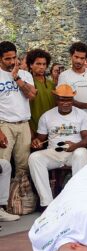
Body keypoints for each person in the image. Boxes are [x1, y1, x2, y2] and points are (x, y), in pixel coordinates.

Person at [28, 84, 87, 208]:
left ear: (72, 100)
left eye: (69, 99)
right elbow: (40, 139)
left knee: (82, 152)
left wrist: (76, 145)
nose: (66, 103)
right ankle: (47, 203)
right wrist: (36, 142)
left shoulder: (82, 115)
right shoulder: (47, 116)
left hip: (74, 152)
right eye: (62, 99)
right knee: (34, 158)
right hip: (54, 153)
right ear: (56, 99)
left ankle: (78, 199)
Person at [0, 41, 36, 177]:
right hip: (4, 124)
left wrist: (16, 77)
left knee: (23, 167)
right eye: (7, 59)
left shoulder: (25, 75)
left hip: (23, 124)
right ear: (0, 59)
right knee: (3, 164)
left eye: (14, 58)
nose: (12, 62)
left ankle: (20, 197)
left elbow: (32, 96)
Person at [58, 42, 87, 118]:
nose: (78, 61)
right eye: (76, 57)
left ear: (86, 59)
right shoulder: (64, 76)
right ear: (71, 56)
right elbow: (64, 98)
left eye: (82, 58)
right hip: (72, 118)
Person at [26, 49, 56, 133]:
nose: (42, 67)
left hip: (51, 127)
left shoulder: (51, 84)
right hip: (33, 128)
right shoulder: (26, 84)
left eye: (44, 64)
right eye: (38, 64)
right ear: (31, 65)